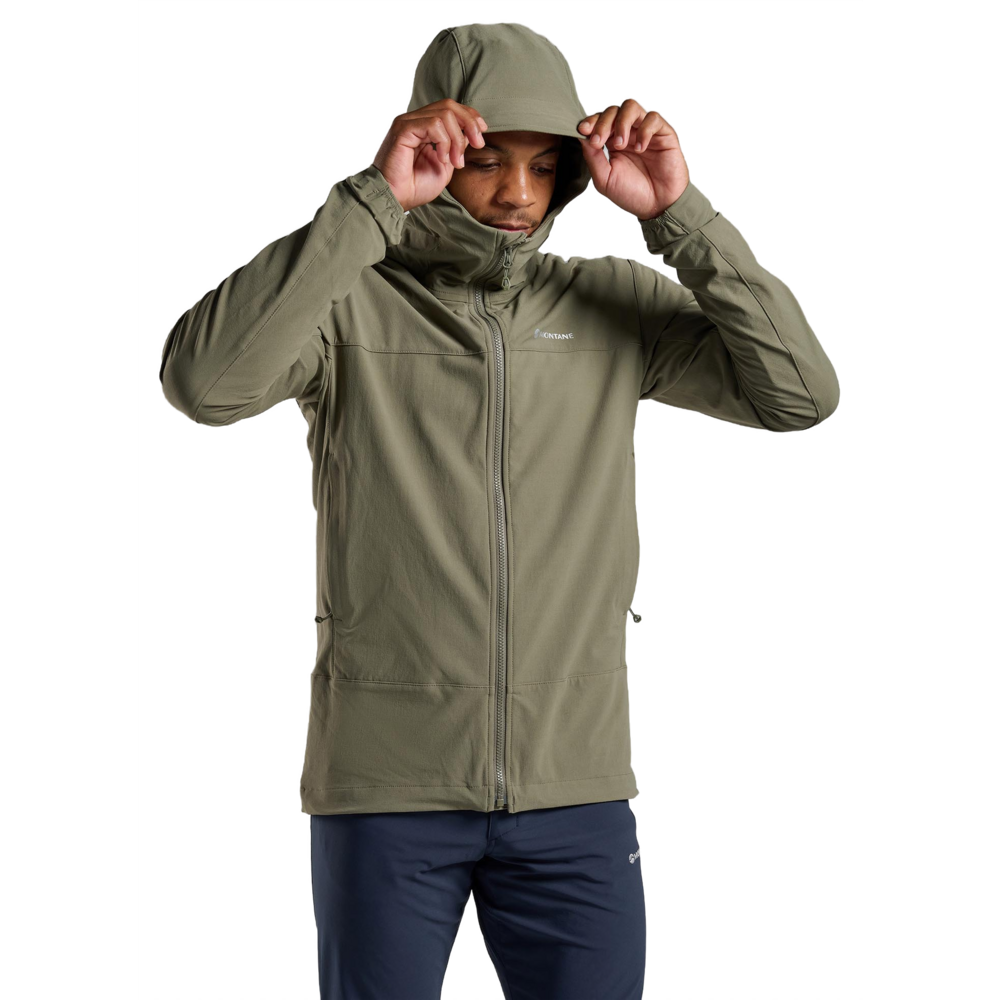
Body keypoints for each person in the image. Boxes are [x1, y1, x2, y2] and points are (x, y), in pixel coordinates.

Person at [158, 19, 839, 1000]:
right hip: (385, 788)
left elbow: (801, 396)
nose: (517, 193)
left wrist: (678, 214)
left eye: (543, 164)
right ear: (434, 150)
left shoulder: (613, 301)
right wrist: (369, 202)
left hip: (577, 787)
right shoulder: (349, 305)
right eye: (486, 161)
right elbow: (202, 385)